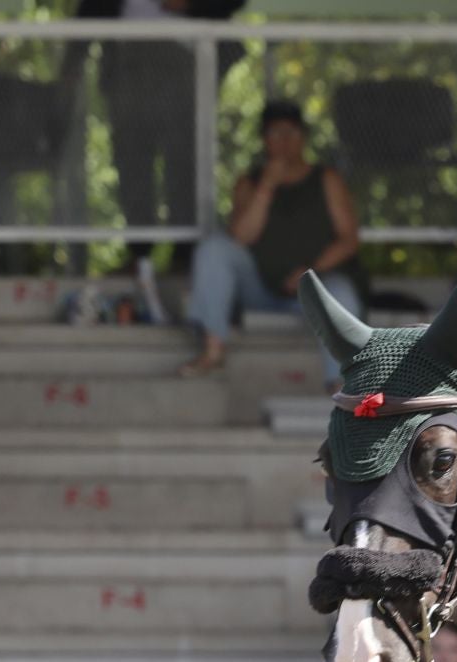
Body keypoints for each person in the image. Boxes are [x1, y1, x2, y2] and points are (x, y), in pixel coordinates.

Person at [180, 101, 362, 389]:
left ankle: (341, 384)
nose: (284, 141)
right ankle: (213, 349)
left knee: (344, 293)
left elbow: (349, 240)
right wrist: (267, 185)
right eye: (275, 133)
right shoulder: (249, 183)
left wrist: (311, 272)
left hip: (314, 289)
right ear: (264, 140)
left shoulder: (325, 179)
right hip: (260, 290)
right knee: (213, 249)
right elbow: (239, 238)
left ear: (303, 137)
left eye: (291, 133)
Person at [75, 0, 246, 273]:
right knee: (131, 164)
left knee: (183, 161)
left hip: (182, 54)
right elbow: (90, 10)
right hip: (125, 58)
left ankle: (185, 256)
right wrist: (72, 62)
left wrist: (189, 5)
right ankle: (139, 255)